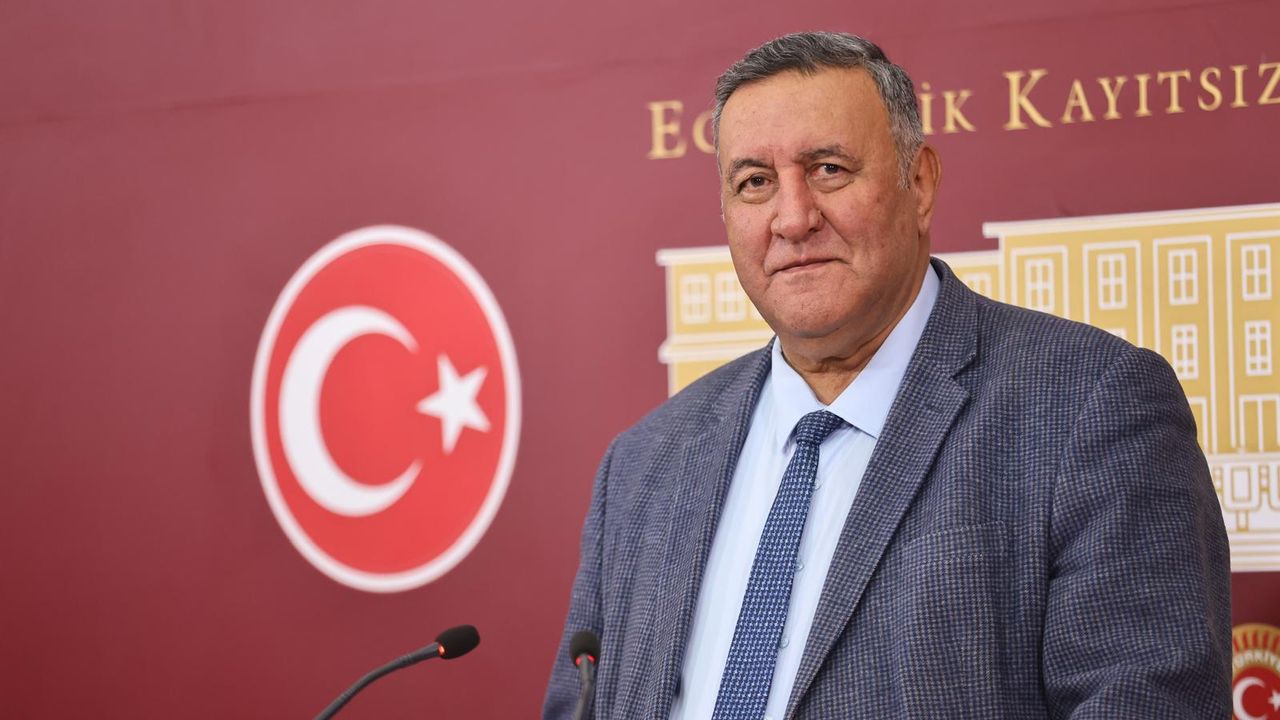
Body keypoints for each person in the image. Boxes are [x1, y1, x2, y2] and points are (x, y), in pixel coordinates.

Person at [543, 31, 1231, 719]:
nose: (792, 218)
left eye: (829, 169)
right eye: (755, 183)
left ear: (919, 182)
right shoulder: (642, 465)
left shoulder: (1089, 406)